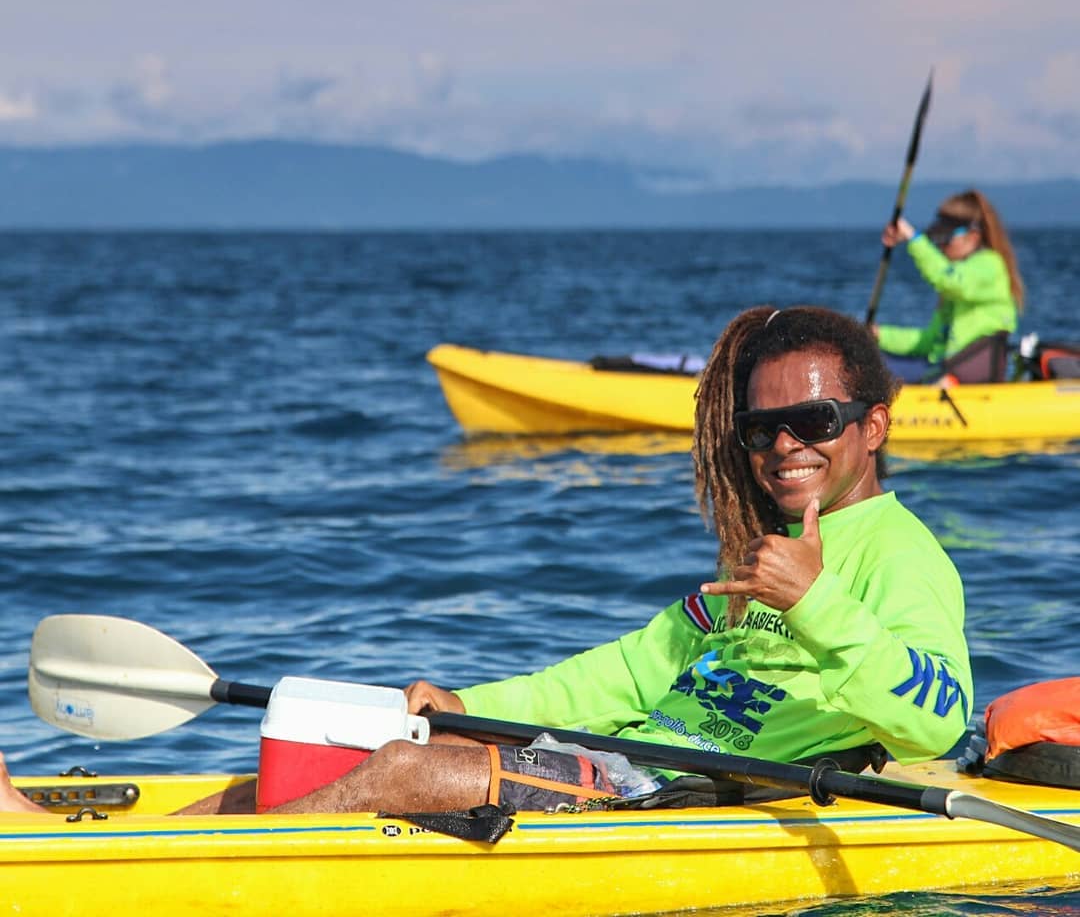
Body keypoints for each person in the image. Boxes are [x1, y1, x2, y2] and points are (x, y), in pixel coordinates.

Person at [2, 307, 973, 817]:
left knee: (407, 772)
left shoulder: (901, 555)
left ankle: (166, 865)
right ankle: (103, 834)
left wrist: (817, 607)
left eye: (813, 422)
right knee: (347, 740)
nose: (783, 446)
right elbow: (626, 672)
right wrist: (475, 704)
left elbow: (937, 712)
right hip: (630, 761)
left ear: (873, 425)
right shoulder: (769, 546)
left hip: (711, 796)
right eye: (762, 427)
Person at [873, 189, 1025, 383]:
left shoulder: (990, 265)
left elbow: (949, 280)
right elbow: (929, 342)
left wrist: (912, 237)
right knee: (869, 362)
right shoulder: (955, 288)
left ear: (973, 236)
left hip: (963, 371)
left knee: (872, 372)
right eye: (937, 239)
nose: (941, 247)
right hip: (941, 366)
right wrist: (879, 335)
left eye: (946, 238)